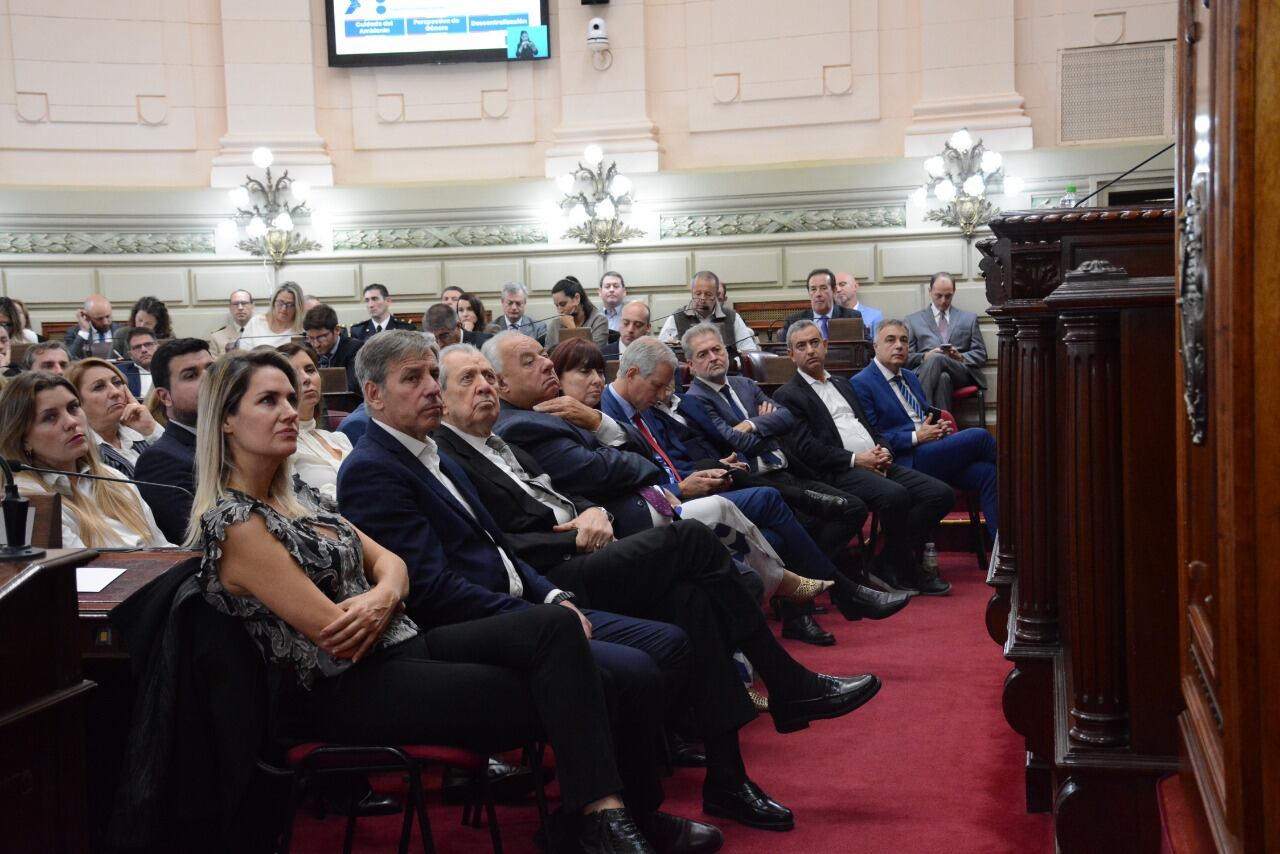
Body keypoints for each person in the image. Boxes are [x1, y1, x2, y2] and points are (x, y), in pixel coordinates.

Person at [188, 348, 667, 854]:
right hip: (344, 690)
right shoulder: (235, 522)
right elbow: (338, 633)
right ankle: (607, 824)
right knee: (584, 681)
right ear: (225, 422)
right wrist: (386, 592)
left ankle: (600, 820)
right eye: (269, 400)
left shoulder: (298, 497)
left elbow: (392, 564)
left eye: (290, 397)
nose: (290, 410)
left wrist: (387, 592)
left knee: (555, 626)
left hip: (401, 648)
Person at [435, 343, 882, 830]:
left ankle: (729, 780)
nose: (545, 365)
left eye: (488, 375)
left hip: (595, 546)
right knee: (691, 539)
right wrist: (593, 503)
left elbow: (597, 483)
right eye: (473, 378)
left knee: (692, 597)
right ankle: (788, 682)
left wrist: (595, 504)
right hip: (556, 573)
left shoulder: (509, 440)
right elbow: (510, 531)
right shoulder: (501, 433)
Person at [336, 330, 721, 851]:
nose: (431, 387)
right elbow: (429, 590)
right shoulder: (372, 468)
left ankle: (607, 816)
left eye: (432, 374)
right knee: (625, 674)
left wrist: (551, 598)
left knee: (665, 641)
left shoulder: (436, 453)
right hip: (459, 630)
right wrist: (535, 611)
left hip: (519, 606)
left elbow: (502, 550)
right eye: (415, 378)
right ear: (373, 395)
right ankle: (610, 820)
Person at [493, 331, 843, 643]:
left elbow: (643, 457)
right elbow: (610, 470)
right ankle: (798, 587)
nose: (597, 380)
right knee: (730, 530)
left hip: (654, 500)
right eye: (584, 372)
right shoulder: (541, 421)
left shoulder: (583, 413)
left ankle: (789, 596)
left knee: (743, 515)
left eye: (600, 371)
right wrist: (629, 480)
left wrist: (608, 435)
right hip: (626, 522)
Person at [773, 320, 955, 595]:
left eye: (814, 343)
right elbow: (807, 450)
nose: (810, 350)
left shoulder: (844, 385)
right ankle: (906, 568)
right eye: (801, 346)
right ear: (791, 355)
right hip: (837, 471)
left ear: (825, 346)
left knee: (940, 494)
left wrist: (883, 452)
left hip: (875, 461)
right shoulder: (788, 395)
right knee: (895, 496)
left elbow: (872, 429)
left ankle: (887, 561)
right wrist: (857, 460)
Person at [852, 320, 998, 540]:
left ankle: (1004, 552)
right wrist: (915, 437)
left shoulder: (910, 376)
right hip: (904, 460)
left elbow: (921, 417)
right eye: (890, 340)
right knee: (980, 436)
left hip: (931, 452)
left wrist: (935, 428)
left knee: (988, 473)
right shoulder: (861, 383)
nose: (899, 346)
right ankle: (1024, 484)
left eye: (903, 340)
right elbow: (873, 437)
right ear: (876, 346)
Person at [0, 371, 170, 548]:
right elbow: (78, 572)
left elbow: (162, 547)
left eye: (73, 407)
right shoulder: (23, 500)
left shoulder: (112, 477)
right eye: (50, 417)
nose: (71, 422)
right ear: (23, 439)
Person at [134, 338, 214, 544]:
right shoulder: (160, 461)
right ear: (165, 397)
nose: (208, 380)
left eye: (211, 369)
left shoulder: (242, 437)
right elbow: (201, 541)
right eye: (191, 375)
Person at [278, 342, 354, 502]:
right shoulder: (281, 448)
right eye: (293, 374)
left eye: (310, 370)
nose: (306, 378)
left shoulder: (340, 438)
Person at [66, 357, 163, 478]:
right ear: (77, 402)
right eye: (99, 387)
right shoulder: (82, 452)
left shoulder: (138, 432)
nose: (115, 392)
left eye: (117, 383)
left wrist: (150, 428)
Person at [904, 272, 988, 409]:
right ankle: (943, 428)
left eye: (948, 296)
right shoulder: (913, 320)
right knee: (943, 378)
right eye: (938, 295)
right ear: (930, 291)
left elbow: (981, 354)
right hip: (926, 371)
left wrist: (960, 357)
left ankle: (923, 416)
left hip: (960, 372)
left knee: (938, 358)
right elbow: (906, 358)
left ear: (954, 292)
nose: (943, 301)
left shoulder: (969, 318)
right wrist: (925, 356)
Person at [658, 272, 759, 354]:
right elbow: (660, 353)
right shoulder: (677, 318)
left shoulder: (732, 317)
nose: (702, 299)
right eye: (698, 293)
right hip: (690, 376)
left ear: (716, 295)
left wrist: (736, 361)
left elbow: (749, 351)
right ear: (691, 292)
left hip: (728, 374)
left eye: (708, 294)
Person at [779, 268, 863, 342]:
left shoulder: (852, 317)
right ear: (809, 293)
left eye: (823, 288)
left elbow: (867, 349)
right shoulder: (794, 321)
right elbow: (783, 352)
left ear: (834, 290)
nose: (818, 294)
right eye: (813, 289)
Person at [302, 304, 363, 397]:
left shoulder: (354, 349)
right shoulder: (306, 350)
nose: (316, 344)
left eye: (321, 337)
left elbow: (352, 387)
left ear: (337, 330)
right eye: (311, 338)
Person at [544, 277, 609, 349]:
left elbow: (592, 355)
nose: (560, 311)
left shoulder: (599, 320)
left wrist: (572, 328)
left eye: (563, 304)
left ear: (577, 298)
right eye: (557, 306)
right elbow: (547, 355)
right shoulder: (555, 324)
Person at [240, 281, 304, 349]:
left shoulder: (301, 329)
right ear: (273, 302)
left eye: (290, 305)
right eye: (280, 303)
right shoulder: (256, 323)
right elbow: (243, 353)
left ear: (297, 307)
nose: (284, 309)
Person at [350, 283, 417, 340]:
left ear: (388, 301)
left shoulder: (405, 329)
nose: (370, 305)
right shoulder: (358, 331)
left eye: (375, 299)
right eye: (367, 300)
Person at [65, 294, 121, 359]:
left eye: (108, 316)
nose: (105, 322)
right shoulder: (74, 333)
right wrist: (84, 332)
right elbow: (68, 359)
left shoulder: (122, 332)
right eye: (99, 319)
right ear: (87, 317)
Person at [834, 272, 883, 340]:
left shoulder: (874, 316)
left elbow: (879, 346)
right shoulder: (828, 316)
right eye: (834, 287)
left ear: (855, 286)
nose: (838, 290)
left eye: (842, 284)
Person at [208, 290, 256, 356]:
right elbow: (214, 364)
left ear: (252, 306)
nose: (240, 308)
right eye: (235, 304)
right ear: (230, 307)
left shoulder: (265, 333)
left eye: (244, 303)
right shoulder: (217, 337)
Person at [425, 302, 491, 349]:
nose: (440, 344)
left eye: (444, 336)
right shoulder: (430, 349)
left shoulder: (485, 343)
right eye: (434, 338)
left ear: (458, 325)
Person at [121, 327, 158, 398]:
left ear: (157, 347)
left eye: (148, 344)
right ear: (130, 355)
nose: (144, 350)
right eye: (137, 347)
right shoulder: (121, 373)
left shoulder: (170, 368)